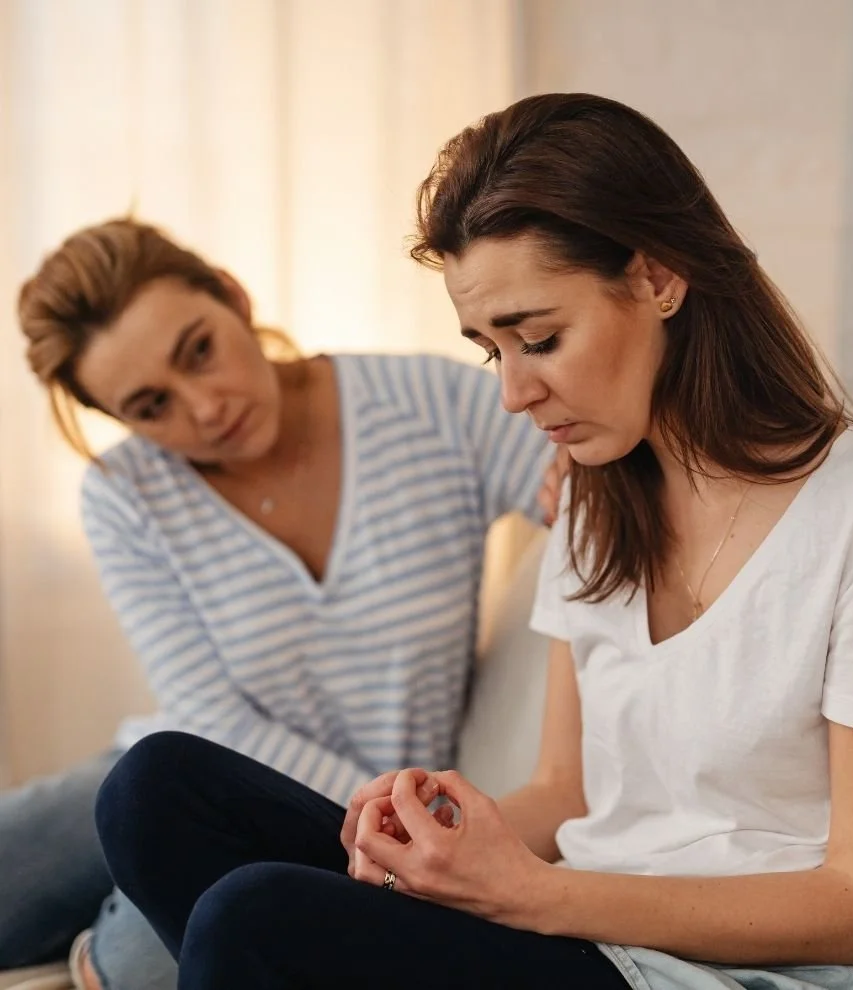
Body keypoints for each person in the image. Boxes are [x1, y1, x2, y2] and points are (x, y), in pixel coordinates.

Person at [94, 93, 853, 990]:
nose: (513, 393)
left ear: (660, 278)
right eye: (493, 350)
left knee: (252, 920)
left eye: (540, 338)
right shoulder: (597, 504)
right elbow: (570, 795)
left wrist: (527, 896)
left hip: (757, 972)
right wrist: (431, 836)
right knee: (156, 790)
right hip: (593, 933)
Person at [5, 218, 558, 990]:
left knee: (134, 967)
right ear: (121, 421)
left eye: (199, 349)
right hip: (177, 783)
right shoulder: (126, 494)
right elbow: (207, 715)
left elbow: (587, 464)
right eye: (151, 405)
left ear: (232, 297)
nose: (203, 408)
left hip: (353, 828)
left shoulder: (427, 404)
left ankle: (101, 937)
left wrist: (592, 486)